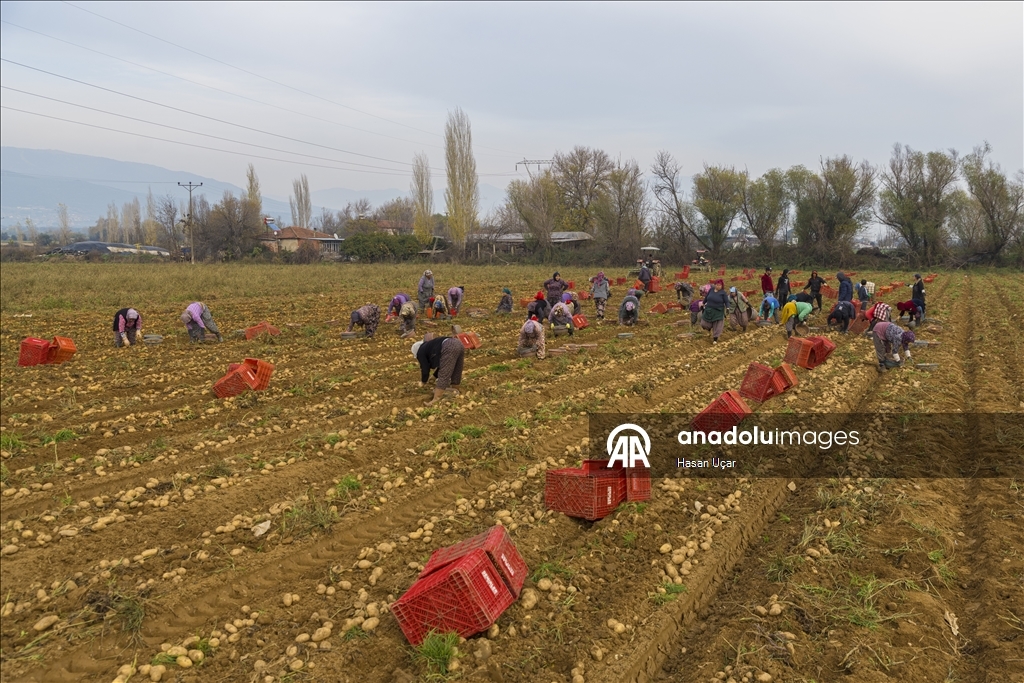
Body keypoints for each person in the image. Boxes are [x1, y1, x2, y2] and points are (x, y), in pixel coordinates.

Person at [413, 336, 464, 405]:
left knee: (444, 374)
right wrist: (434, 376)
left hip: (449, 345)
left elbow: (425, 368)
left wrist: (423, 381)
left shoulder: (420, 352)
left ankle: (436, 398)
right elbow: (443, 364)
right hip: (458, 343)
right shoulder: (429, 346)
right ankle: (456, 390)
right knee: (457, 369)